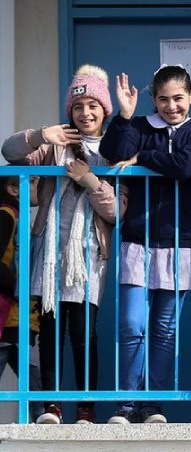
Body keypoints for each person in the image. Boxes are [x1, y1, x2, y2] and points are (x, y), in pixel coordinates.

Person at [2, 65, 121, 424]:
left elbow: (115, 211)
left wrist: (90, 181)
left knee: (84, 333)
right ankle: (52, 405)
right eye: (78, 106)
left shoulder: (115, 150)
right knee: (50, 332)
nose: (85, 113)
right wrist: (40, 135)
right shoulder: (56, 146)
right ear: (69, 111)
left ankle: (86, 406)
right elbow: (10, 152)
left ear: (104, 110)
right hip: (50, 253)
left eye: (93, 105)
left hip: (88, 256)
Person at [99, 65, 191, 424]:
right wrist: (125, 116)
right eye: (163, 99)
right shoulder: (142, 127)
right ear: (154, 100)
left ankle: (153, 404)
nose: (171, 106)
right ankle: (127, 402)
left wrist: (144, 158)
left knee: (165, 328)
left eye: (178, 98)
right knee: (131, 324)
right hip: (138, 237)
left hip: (182, 240)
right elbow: (115, 153)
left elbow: (185, 165)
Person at [0, 174, 42, 422]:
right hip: (8, 313)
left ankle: (44, 417)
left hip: (19, 316)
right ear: (14, 188)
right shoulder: (6, 215)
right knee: (29, 370)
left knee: (30, 370)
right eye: (35, 182)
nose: (39, 187)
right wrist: (19, 289)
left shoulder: (17, 216)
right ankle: (43, 417)